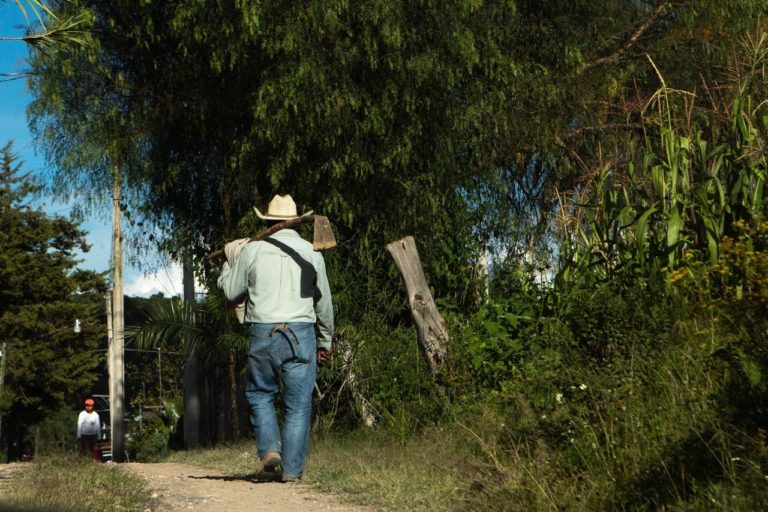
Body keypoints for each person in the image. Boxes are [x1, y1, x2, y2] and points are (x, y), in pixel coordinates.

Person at [217, 194, 334, 482]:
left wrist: (228, 261)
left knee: (260, 394)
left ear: (268, 221)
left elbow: (231, 293)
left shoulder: (252, 250)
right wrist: (326, 340)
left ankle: (270, 449)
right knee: (298, 405)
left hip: (264, 332)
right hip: (302, 333)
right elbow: (324, 303)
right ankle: (292, 472)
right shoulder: (311, 252)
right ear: (296, 221)